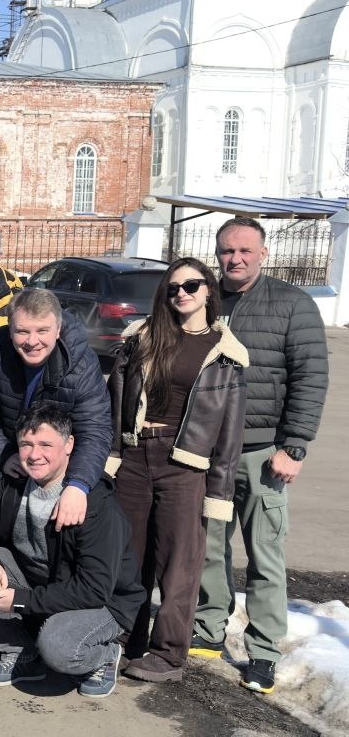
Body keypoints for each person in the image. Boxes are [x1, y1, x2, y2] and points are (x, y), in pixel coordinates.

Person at [192, 218, 328, 694]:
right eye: (227, 251)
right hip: (209, 451)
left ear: (263, 253)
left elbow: (310, 377)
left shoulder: (293, 304)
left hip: (264, 452)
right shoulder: (204, 300)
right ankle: (208, 627)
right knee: (209, 545)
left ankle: (265, 650)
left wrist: (294, 445)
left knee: (264, 554)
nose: (235, 258)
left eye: (245, 250)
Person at [106, 257, 247, 683]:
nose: (181, 294)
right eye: (172, 288)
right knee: (127, 557)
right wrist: (112, 453)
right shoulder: (143, 338)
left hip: (185, 463)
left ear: (209, 290)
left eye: (190, 286)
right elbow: (116, 400)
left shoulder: (224, 353)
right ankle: (123, 639)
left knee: (178, 564)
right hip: (135, 456)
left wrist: (219, 491)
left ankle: (168, 654)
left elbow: (229, 432)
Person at [0, 404, 144, 699]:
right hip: (47, 584)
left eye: (46, 444)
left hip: (105, 602)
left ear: (69, 444)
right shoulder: (15, 481)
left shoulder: (94, 502)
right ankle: (21, 652)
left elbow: (94, 589)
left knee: (59, 649)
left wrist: (21, 600)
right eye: (26, 444)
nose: (34, 455)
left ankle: (106, 656)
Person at [0, 288, 110, 530]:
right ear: (10, 329)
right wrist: (3, 454)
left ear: (58, 330)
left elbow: (95, 428)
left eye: (42, 331)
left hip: (60, 471)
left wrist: (78, 484)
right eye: (22, 331)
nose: (32, 341)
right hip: (8, 461)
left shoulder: (82, 364)